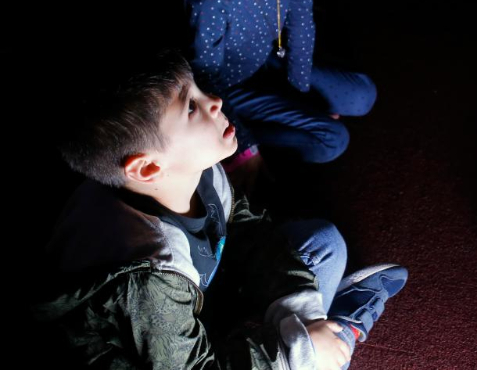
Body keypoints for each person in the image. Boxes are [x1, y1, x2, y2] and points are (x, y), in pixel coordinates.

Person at [31, 50, 406, 369]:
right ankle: (343, 329)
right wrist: (298, 351)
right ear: (147, 167)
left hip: (205, 297)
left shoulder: (196, 168)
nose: (215, 101)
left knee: (325, 243)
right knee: (313, 353)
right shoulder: (147, 277)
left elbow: (248, 230)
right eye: (191, 106)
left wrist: (303, 313)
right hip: (166, 344)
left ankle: (327, 334)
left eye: (197, 87)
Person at [188, 0, 376, 177]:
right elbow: (206, 83)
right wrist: (244, 147)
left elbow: (301, 17)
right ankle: (243, 140)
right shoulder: (211, 0)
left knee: (363, 94)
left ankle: (288, 109)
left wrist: (299, 91)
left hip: (270, 59)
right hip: (231, 90)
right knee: (332, 140)